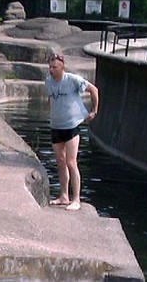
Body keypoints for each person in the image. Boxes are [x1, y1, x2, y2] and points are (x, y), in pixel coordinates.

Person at [44, 53, 99, 211]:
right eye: (50, 67)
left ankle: (76, 199)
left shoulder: (73, 80)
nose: (51, 70)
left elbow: (93, 90)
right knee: (60, 162)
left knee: (71, 162)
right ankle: (63, 195)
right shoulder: (48, 82)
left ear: (62, 67)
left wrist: (94, 111)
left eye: (55, 67)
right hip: (56, 126)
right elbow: (51, 100)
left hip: (71, 126)